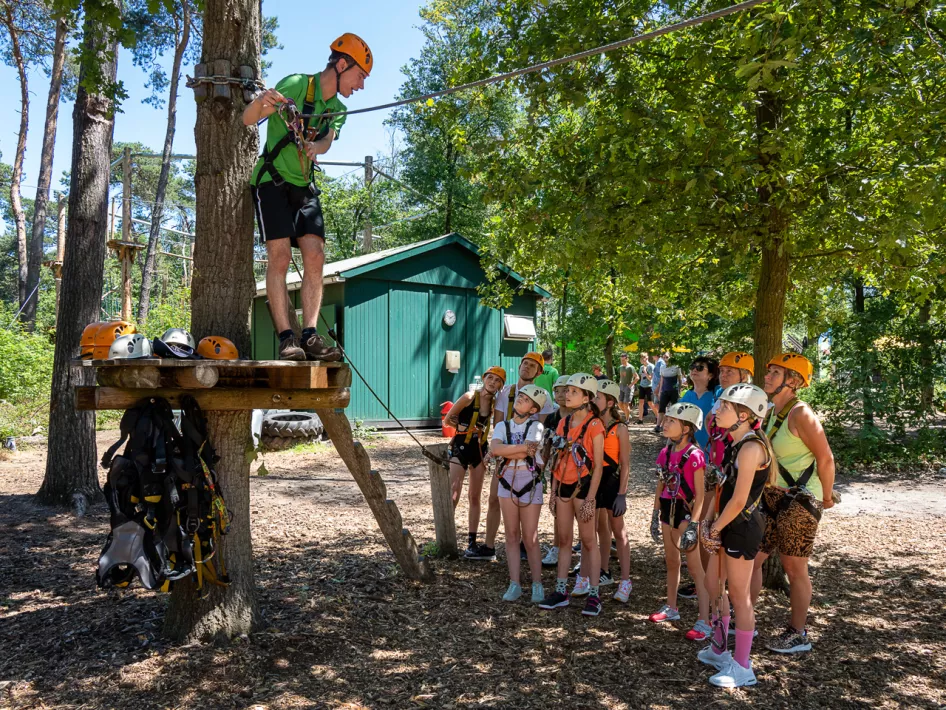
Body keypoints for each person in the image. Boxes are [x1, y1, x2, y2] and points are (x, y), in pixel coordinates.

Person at [244, 33, 372, 362]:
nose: (360, 86)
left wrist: (317, 147)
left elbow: (327, 138)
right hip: (272, 182)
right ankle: (287, 339)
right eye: (359, 76)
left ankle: (311, 335)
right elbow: (247, 119)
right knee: (280, 257)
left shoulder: (336, 109)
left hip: (304, 186)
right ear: (342, 65)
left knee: (315, 255)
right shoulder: (297, 84)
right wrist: (262, 102)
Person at [751, 353, 836, 654]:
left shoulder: (801, 413)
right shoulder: (774, 410)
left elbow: (825, 458)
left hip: (801, 500)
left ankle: (798, 632)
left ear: (794, 381)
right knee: (753, 559)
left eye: (775, 372)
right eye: (769, 370)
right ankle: (744, 618)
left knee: (793, 566)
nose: (767, 375)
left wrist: (826, 497)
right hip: (773, 496)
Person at [698, 383, 775, 688]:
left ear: (744, 414)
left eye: (724, 407)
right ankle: (719, 648)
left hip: (741, 528)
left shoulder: (752, 447)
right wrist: (710, 523)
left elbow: (740, 499)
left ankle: (743, 666)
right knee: (713, 584)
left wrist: (714, 528)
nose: (716, 411)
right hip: (727, 524)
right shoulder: (736, 443)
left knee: (739, 597)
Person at [680, 351, 754, 601]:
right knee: (704, 523)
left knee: (732, 537)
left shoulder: (752, 404)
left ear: (745, 375)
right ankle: (706, 584)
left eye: (729, 371)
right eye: (721, 370)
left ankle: (735, 600)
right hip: (714, 470)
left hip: (736, 478)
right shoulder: (720, 398)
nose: (723, 375)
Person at [471, 352, 555, 561]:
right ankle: (489, 545)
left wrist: (541, 462)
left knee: (525, 499)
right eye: (524, 363)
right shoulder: (506, 393)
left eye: (532, 366)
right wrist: (499, 451)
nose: (526, 367)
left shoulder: (543, 395)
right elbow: (499, 423)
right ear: (519, 366)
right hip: (506, 455)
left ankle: (525, 544)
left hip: (529, 458)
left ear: (539, 372)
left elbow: (543, 431)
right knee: (494, 498)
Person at [538, 373, 606, 616]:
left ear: (587, 397)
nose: (567, 395)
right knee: (564, 540)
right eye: (566, 391)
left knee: (589, 542)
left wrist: (591, 498)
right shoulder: (562, 423)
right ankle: (560, 591)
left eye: (573, 391)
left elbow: (598, 466)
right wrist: (554, 492)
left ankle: (595, 594)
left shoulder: (595, 425)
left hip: (584, 487)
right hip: (564, 487)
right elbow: (557, 458)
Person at [648, 403, 710, 641]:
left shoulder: (695, 456)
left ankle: (704, 619)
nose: (665, 423)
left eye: (671, 421)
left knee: (695, 568)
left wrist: (694, 525)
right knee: (671, 561)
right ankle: (671, 607)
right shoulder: (664, 453)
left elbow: (701, 495)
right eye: (666, 420)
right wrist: (655, 515)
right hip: (667, 511)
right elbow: (660, 485)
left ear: (686, 428)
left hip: (685, 513)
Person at [491, 385, 548, 603]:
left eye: (526, 400)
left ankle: (537, 583)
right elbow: (496, 449)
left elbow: (529, 449)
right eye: (520, 397)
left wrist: (506, 449)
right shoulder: (501, 425)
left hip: (529, 481)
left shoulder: (537, 426)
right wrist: (520, 449)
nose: (520, 400)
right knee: (512, 535)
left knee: (530, 537)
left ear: (533, 409)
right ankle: (514, 583)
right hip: (506, 481)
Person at [444, 366, 506, 558]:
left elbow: (496, 426)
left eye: (497, 381)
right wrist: (462, 427)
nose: (493, 383)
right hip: (460, 447)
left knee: (474, 496)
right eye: (490, 378)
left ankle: (472, 542)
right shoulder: (469, 396)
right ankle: (446, 537)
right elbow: (447, 420)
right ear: (484, 378)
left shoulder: (496, 403)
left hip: (479, 450)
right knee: (453, 495)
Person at [594, 380, 633, 603]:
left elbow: (625, 463)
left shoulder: (621, 428)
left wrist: (622, 493)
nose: (593, 401)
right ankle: (604, 570)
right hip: (596, 480)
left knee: (618, 529)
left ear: (609, 402)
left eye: (598, 398)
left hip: (613, 481)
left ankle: (626, 580)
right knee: (601, 528)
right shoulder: (593, 424)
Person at [541, 375, 572, 568]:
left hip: (579, 471)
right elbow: (546, 445)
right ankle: (556, 546)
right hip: (557, 470)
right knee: (557, 510)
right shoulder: (551, 418)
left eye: (565, 390)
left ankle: (583, 550)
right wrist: (541, 471)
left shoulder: (581, 417)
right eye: (557, 391)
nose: (560, 394)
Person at [681, 356, 719, 450]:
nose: (694, 369)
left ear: (711, 375)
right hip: (688, 451)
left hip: (712, 449)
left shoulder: (719, 393)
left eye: (700, 368)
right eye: (692, 366)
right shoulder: (686, 395)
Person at [655, 353, 684, 433]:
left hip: (674, 391)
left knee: (674, 408)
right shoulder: (662, 367)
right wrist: (660, 391)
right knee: (661, 409)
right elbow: (662, 379)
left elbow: (680, 379)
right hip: (665, 390)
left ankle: (673, 426)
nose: (665, 359)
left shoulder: (676, 367)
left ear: (670, 357)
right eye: (664, 357)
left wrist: (679, 390)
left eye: (667, 357)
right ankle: (658, 426)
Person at [617, 353, 638, 421]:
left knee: (626, 404)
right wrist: (620, 383)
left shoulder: (631, 367)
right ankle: (627, 413)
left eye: (623, 360)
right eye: (621, 360)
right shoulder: (620, 367)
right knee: (620, 404)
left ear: (627, 359)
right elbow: (621, 377)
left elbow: (637, 377)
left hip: (628, 387)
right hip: (621, 386)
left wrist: (631, 385)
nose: (622, 361)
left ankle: (627, 420)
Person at [636, 353, 655, 424]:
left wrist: (645, 371)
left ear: (646, 358)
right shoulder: (641, 367)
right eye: (640, 358)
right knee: (640, 402)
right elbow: (641, 378)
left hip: (649, 386)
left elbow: (650, 379)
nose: (640, 360)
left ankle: (657, 417)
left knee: (650, 403)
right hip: (642, 386)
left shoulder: (651, 366)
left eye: (641, 358)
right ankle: (640, 419)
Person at [651, 352, 667, 423]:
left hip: (659, 387)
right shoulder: (657, 362)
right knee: (656, 405)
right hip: (655, 386)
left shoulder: (661, 362)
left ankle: (663, 422)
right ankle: (661, 421)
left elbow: (662, 376)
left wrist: (658, 387)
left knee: (660, 405)